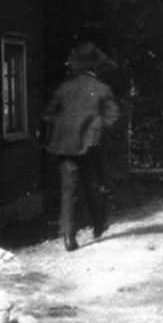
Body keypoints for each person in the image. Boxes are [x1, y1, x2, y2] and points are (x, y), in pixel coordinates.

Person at [44, 44, 120, 251]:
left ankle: (69, 236)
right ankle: (98, 225)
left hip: (66, 146)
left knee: (68, 189)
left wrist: (65, 127)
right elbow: (113, 116)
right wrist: (96, 128)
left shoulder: (64, 88)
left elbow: (49, 114)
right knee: (95, 183)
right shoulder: (102, 89)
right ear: (96, 67)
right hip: (92, 145)